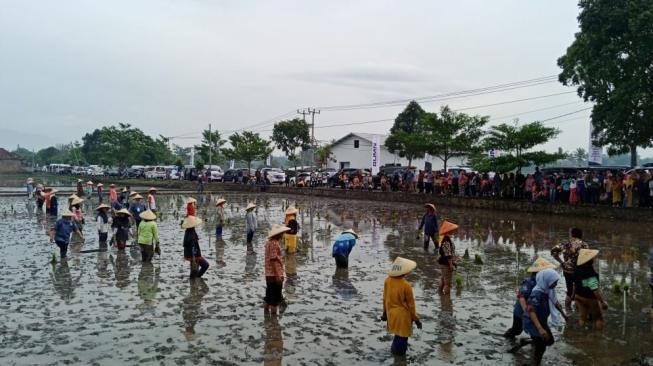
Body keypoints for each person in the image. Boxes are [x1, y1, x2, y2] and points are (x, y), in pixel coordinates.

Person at [522, 268, 569, 366]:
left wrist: (564, 315)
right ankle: (535, 363)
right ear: (547, 281)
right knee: (541, 346)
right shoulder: (537, 293)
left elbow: (555, 303)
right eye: (554, 282)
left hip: (541, 320)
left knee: (550, 340)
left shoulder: (548, 290)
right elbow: (531, 310)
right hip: (532, 321)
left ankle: (530, 341)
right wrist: (540, 329)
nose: (555, 284)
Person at [504, 257, 557, 338]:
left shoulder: (546, 282)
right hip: (522, 311)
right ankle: (507, 338)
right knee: (517, 330)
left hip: (536, 311)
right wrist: (527, 313)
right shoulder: (530, 282)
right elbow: (522, 298)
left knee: (537, 332)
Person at [381, 257, 422, 356]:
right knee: (402, 337)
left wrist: (384, 313)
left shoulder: (387, 281)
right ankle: (399, 358)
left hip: (391, 313)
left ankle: (394, 354)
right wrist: (416, 319)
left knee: (397, 335)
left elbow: (385, 298)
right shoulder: (406, 285)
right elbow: (411, 305)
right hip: (403, 316)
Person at [551, 227, 589, 306]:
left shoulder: (566, 243)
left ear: (572, 234)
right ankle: (578, 312)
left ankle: (568, 310)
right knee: (579, 292)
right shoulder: (584, 245)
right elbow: (587, 258)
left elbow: (553, 251)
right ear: (581, 235)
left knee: (569, 292)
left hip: (567, 270)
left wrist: (562, 262)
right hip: (579, 271)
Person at [573, 249, 608, 330]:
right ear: (589, 261)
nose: (593, 259)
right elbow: (595, 290)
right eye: (592, 258)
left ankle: (581, 335)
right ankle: (597, 338)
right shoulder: (591, 274)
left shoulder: (576, 270)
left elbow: (574, 285)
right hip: (590, 299)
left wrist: (572, 296)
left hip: (578, 296)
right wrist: (602, 302)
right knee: (599, 318)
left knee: (582, 318)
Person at [265, 224, 290, 314]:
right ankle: (274, 322)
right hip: (274, 274)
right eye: (282, 233)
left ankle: (266, 317)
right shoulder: (274, 243)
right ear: (278, 234)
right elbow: (273, 260)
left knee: (269, 297)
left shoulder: (268, 242)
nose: (283, 235)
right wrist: (278, 275)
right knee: (274, 300)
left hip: (269, 274)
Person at [438, 220, 458, 295]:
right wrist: (451, 265)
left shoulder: (446, 239)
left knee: (443, 280)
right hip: (446, 264)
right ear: (448, 231)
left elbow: (448, 253)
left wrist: (454, 259)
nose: (453, 231)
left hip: (443, 263)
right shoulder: (446, 241)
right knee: (447, 283)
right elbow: (448, 254)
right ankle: (447, 300)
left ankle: (440, 295)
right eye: (452, 230)